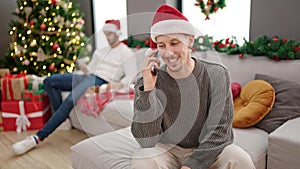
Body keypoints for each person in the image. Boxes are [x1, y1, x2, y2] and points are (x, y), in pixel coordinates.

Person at [71, 4, 256, 169]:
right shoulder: (149, 79)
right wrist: (148, 91)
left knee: (239, 158)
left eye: (174, 43)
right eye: (161, 45)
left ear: (190, 41)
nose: (168, 52)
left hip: (206, 148)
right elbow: (146, 140)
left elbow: (220, 131)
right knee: (143, 158)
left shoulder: (217, 74)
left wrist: (193, 165)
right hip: (168, 149)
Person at [12, 19, 135, 155]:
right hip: (86, 76)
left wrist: (112, 86)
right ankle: (64, 120)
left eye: (110, 34)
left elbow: (130, 77)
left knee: (71, 99)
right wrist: (84, 67)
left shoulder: (126, 52)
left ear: (118, 33)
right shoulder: (100, 51)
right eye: (105, 34)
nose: (107, 37)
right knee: (49, 81)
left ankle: (37, 137)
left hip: (100, 80)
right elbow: (91, 69)